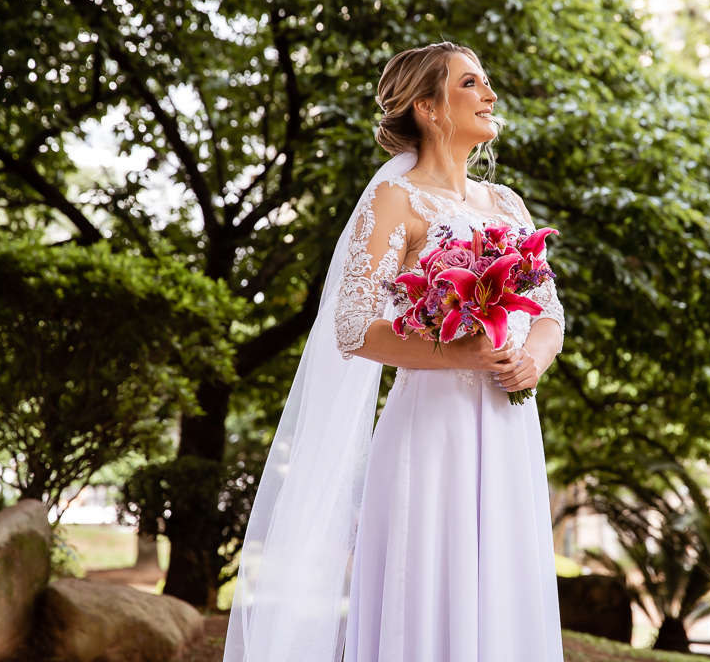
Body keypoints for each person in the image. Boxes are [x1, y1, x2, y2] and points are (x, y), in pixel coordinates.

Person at [224, 42, 566, 662]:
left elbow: (549, 311)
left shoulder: (509, 206)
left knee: (503, 595)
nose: (490, 95)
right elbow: (353, 328)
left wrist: (532, 359)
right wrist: (461, 354)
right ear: (429, 108)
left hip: (511, 424)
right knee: (432, 593)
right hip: (431, 434)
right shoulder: (395, 202)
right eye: (472, 83)